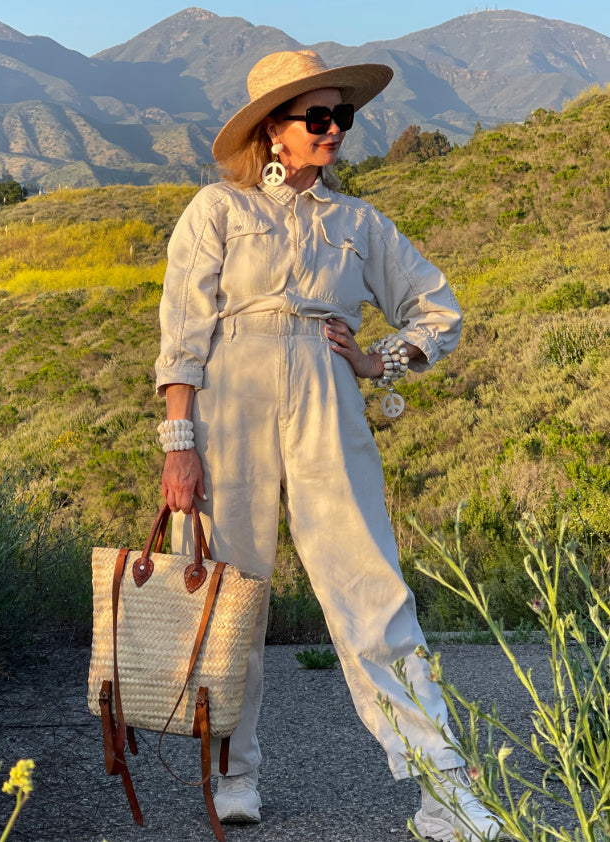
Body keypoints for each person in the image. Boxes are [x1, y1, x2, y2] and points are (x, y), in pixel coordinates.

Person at [154, 49, 502, 841]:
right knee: (227, 593)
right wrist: (180, 444)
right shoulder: (216, 210)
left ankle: (443, 789)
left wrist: (380, 358)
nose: (335, 129)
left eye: (341, 115)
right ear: (274, 131)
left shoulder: (360, 224)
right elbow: (181, 335)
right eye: (318, 117)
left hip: (326, 394)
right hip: (226, 401)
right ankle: (232, 771)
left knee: (371, 590)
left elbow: (438, 311)